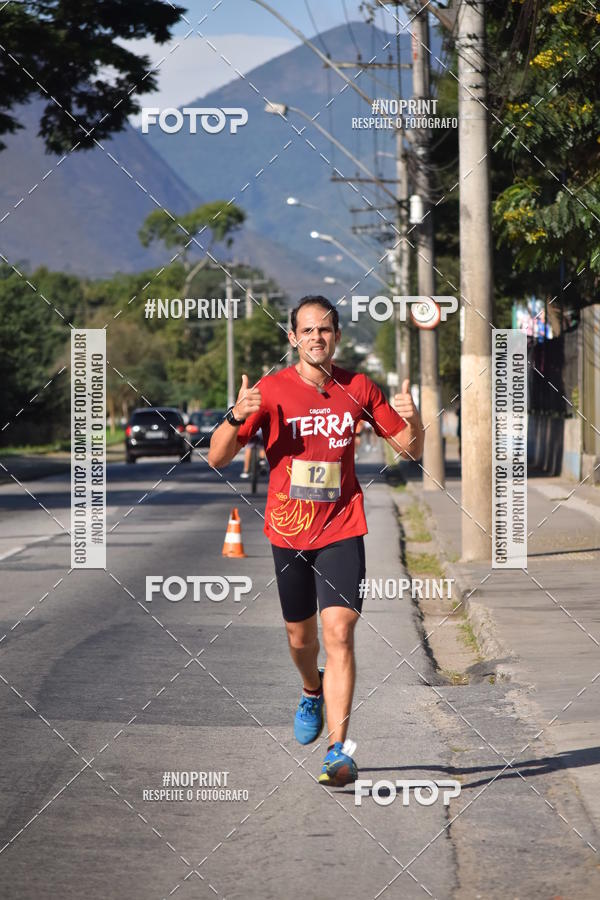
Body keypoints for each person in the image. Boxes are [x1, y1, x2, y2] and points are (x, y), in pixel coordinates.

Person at [208, 295, 424, 786]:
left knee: (339, 633)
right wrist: (237, 416)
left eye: (324, 330)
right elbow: (217, 459)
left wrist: (414, 420)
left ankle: (338, 751)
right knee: (300, 639)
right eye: (306, 330)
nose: (316, 338)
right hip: (288, 531)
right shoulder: (270, 390)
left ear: (337, 337)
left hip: (342, 527)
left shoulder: (359, 387)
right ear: (293, 338)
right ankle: (311, 689)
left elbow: (408, 450)